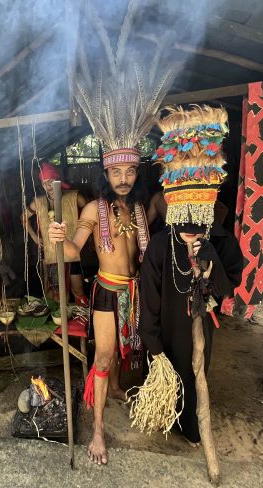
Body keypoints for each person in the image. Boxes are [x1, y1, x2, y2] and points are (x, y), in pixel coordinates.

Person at [138, 105, 243, 446]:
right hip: (166, 325)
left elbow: (228, 288)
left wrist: (208, 258)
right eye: (183, 222)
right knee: (167, 369)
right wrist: (153, 348)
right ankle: (165, 414)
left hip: (198, 327)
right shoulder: (158, 248)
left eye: (198, 224)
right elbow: (148, 305)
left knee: (196, 370)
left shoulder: (220, 241)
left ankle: (193, 427)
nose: (190, 231)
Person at [49, 147, 149, 465]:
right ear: (106, 174)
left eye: (130, 171)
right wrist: (57, 237)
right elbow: (74, 249)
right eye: (116, 172)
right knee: (104, 356)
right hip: (107, 289)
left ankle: (117, 387)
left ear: (136, 173)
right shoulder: (94, 209)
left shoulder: (138, 209)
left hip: (134, 290)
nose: (123, 179)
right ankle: (97, 432)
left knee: (123, 346)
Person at [23, 162, 88, 305]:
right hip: (50, 252)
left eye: (51, 181)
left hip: (71, 249)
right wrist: (34, 237)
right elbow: (23, 218)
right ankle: (58, 319)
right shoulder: (38, 202)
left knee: (78, 290)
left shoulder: (73, 196)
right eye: (45, 183)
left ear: (57, 179)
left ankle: (81, 317)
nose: (48, 186)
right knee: (55, 293)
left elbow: (89, 212)